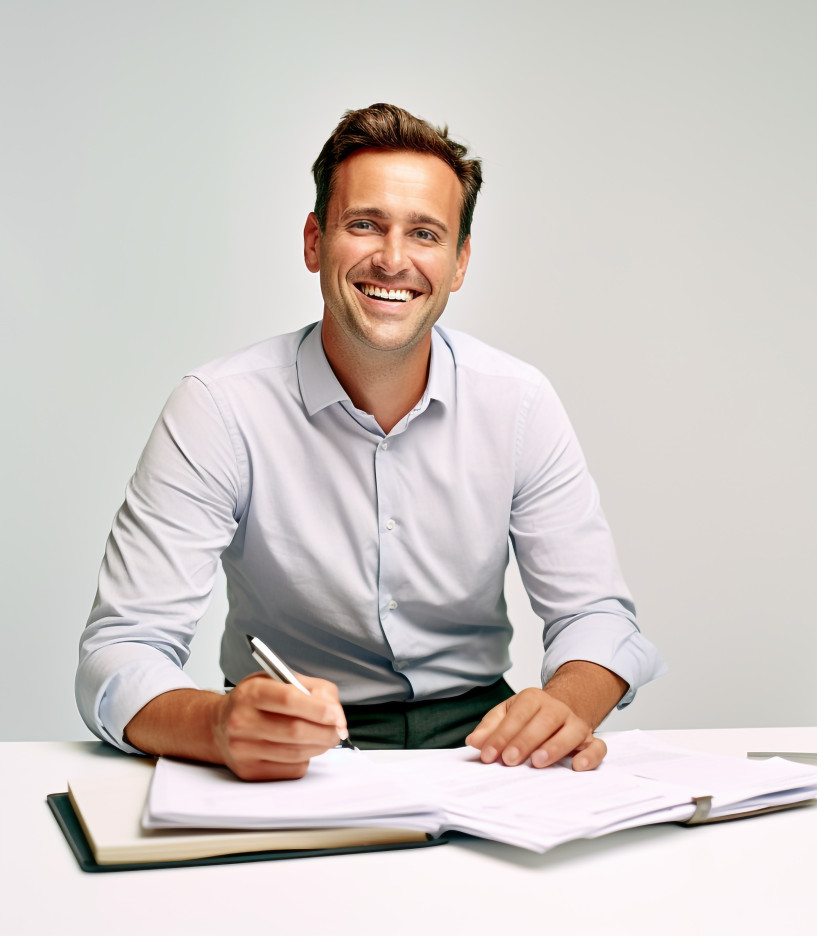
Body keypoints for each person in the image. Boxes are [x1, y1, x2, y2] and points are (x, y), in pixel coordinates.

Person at [77, 103, 665, 781]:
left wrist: (564, 708)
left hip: (483, 744)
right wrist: (217, 726)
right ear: (314, 240)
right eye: (364, 225)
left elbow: (597, 616)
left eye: (425, 233)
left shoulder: (520, 402)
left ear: (459, 262)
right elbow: (121, 651)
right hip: (291, 743)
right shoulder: (219, 408)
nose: (393, 259)